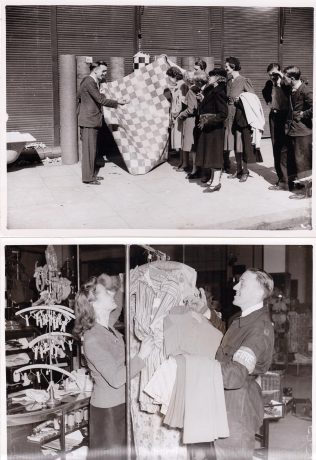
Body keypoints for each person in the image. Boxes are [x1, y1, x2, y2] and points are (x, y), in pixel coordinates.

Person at [73, 274, 153, 460]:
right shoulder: (93, 338)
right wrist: (142, 355)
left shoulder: (106, 327)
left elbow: (115, 302)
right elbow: (116, 379)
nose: (111, 293)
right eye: (105, 292)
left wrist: (122, 283)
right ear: (93, 303)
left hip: (120, 404)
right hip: (108, 411)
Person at [214, 268, 275, 460]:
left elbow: (235, 375)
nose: (235, 286)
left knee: (231, 454)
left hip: (238, 405)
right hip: (229, 401)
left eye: (242, 283)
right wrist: (205, 312)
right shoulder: (243, 319)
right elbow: (228, 339)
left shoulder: (259, 328)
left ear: (259, 292)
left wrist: (198, 367)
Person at [77, 61, 128, 185]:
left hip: (90, 120)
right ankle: (88, 178)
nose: (104, 74)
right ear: (95, 70)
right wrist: (117, 102)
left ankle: (91, 175)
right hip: (89, 121)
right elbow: (100, 99)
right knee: (89, 151)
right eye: (103, 71)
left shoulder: (89, 81)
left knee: (92, 150)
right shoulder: (90, 81)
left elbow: (80, 96)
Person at [281, 65, 312, 199]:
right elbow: (281, 84)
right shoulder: (292, 88)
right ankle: (290, 183)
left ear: (292, 78)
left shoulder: (305, 90)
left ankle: (306, 192)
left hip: (302, 131)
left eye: (285, 77)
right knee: (286, 157)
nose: (284, 80)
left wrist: (303, 114)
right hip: (291, 130)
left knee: (303, 162)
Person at [195, 68, 228, 192]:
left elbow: (223, 113)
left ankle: (216, 183)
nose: (209, 77)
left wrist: (208, 119)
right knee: (210, 154)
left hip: (215, 129)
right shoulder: (212, 90)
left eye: (212, 75)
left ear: (218, 78)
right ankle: (212, 180)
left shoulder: (219, 92)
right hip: (209, 128)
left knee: (214, 155)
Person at [224, 57, 255, 181]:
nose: (225, 69)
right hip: (229, 115)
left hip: (240, 116)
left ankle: (245, 171)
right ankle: (238, 170)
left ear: (233, 67)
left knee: (240, 143)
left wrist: (240, 99)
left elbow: (252, 98)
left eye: (227, 67)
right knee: (234, 143)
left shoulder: (244, 81)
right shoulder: (228, 81)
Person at [262, 63, 290, 190]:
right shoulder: (269, 85)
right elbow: (266, 94)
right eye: (270, 75)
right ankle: (281, 179)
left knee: (285, 148)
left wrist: (281, 78)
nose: (272, 77)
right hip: (274, 117)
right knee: (276, 147)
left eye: (274, 74)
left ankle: (288, 179)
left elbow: (291, 91)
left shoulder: (286, 83)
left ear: (279, 72)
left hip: (285, 118)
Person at [177, 71, 201, 172]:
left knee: (190, 144)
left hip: (190, 120)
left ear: (187, 80)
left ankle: (194, 169)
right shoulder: (196, 89)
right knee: (191, 144)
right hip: (193, 119)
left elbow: (191, 109)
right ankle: (191, 166)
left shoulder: (191, 91)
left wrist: (181, 115)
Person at [166, 66, 188, 166]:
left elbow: (181, 103)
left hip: (179, 117)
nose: (169, 79)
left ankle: (184, 163)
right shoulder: (177, 85)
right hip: (177, 116)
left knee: (181, 141)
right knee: (179, 141)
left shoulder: (182, 85)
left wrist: (174, 114)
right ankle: (182, 162)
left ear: (174, 76)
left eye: (169, 77)